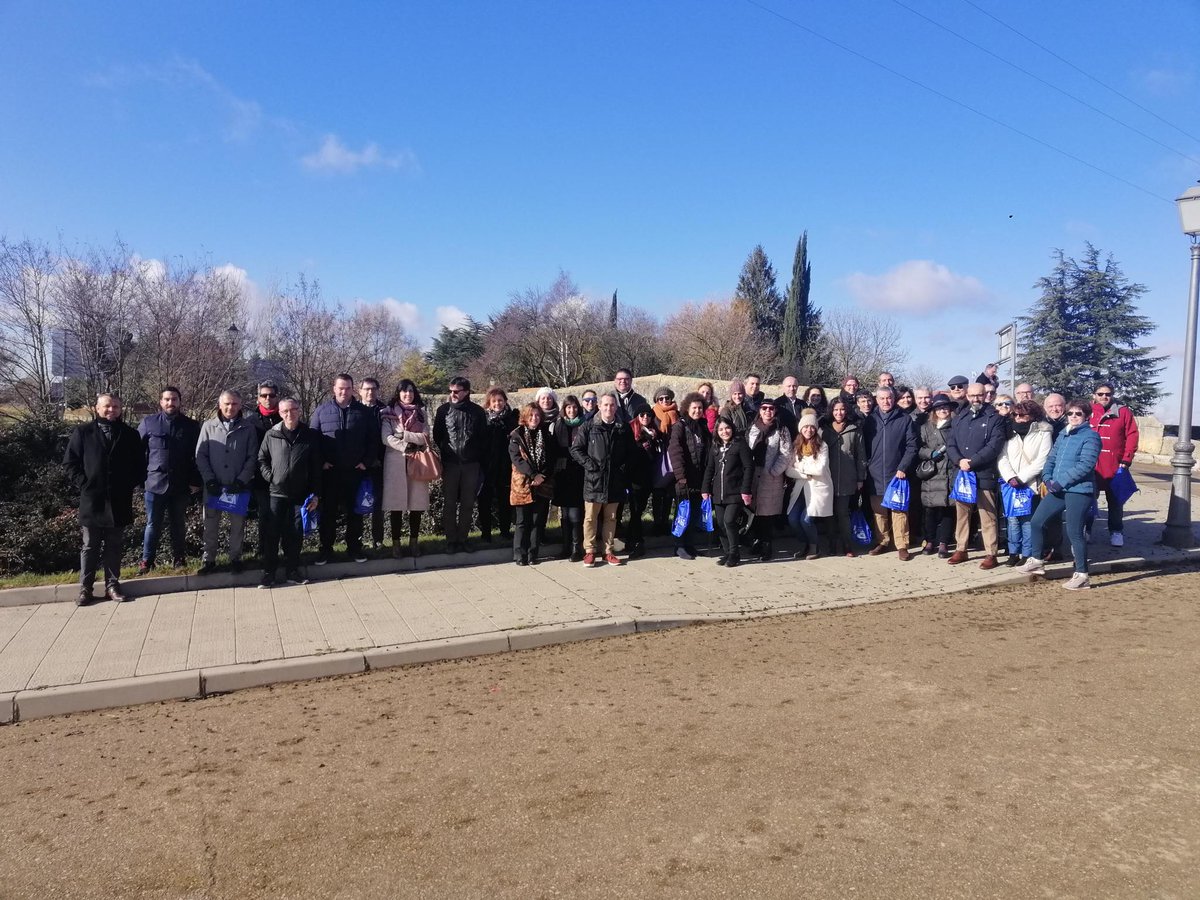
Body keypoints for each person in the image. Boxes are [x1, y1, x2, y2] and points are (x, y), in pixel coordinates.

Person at [64, 394, 146, 605]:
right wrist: (85, 484)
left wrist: (129, 484)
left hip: (119, 500)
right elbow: (70, 463)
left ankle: (112, 585)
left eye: (116, 407)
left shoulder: (129, 434)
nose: (112, 410)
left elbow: (140, 466)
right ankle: (86, 589)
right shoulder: (83, 432)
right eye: (107, 406)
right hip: (92, 499)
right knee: (90, 545)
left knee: (114, 545)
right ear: (97, 408)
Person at [1020, 399, 1102, 590]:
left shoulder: (1091, 437)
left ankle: (1082, 575)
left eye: (1078, 414)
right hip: (1057, 488)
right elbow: (1051, 459)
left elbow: (1085, 465)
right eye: (1070, 413)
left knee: (1074, 532)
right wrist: (1047, 478)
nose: (1073, 417)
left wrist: (1061, 481)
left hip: (1079, 491)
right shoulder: (1063, 435)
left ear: (1086, 416)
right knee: (1037, 521)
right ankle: (1037, 560)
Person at [310, 373, 377, 564]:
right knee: (328, 513)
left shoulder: (363, 412)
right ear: (334, 388)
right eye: (340, 388)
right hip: (330, 473)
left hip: (355, 472)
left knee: (355, 513)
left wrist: (366, 461)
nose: (344, 391)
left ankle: (354, 549)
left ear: (352, 389)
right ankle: (326, 550)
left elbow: (373, 440)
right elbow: (313, 440)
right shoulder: (322, 411)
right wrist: (321, 461)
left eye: (347, 388)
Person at [257, 398, 321, 588]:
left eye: (293, 410)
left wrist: (316, 493)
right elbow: (262, 459)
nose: (289, 414)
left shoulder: (310, 435)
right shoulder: (272, 434)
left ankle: (292, 570)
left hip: (301, 495)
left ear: (299, 411)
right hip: (276, 493)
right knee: (272, 533)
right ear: (280, 413)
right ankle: (269, 573)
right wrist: (272, 476)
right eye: (285, 411)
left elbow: (316, 467)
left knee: (295, 534)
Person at [137, 386, 201, 573]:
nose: (170, 403)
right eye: (166, 399)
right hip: (154, 483)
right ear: (161, 402)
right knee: (152, 524)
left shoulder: (190, 425)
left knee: (178, 524)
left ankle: (179, 559)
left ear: (180, 402)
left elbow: (197, 455)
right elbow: (137, 452)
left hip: (180, 484)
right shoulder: (149, 423)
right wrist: (141, 479)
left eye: (174, 399)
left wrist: (195, 481)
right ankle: (147, 561)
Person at [195, 389, 260, 575]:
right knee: (210, 524)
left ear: (240, 405)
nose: (230, 407)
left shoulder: (248, 428)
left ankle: (235, 559)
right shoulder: (208, 426)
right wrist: (209, 479)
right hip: (214, 485)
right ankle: (209, 560)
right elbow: (201, 455)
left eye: (234, 404)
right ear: (220, 405)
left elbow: (252, 457)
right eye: (227, 403)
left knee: (237, 526)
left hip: (237, 486)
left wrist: (242, 480)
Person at [945, 381, 1006, 569]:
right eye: (972, 396)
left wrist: (973, 461)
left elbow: (994, 445)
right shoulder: (959, 417)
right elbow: (951, 443)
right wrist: (959, 460)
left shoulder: (994, 418)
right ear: (967, 396)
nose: (975, 399)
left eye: (979, 395)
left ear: (986, 395)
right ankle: (961, 549)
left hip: (983, 473)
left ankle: (991, 553)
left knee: (987, 515)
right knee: (962, 514)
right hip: (962, 473)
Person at [571, 393, 633, 566]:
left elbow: (631, 452)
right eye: (605, 405)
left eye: (612, 405)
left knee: (611, 518)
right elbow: (576, 449)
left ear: (616, 407)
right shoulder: (589, 426)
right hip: (594, 481)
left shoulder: (623, 428)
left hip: (614, 481)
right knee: (590, 518)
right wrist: (590, 465)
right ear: (599, 406)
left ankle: (608, 551)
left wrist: (622, 469)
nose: (609, 408)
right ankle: (589, 551)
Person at [433, 376, 488, 553]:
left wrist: (475, 455)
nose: (452, 394)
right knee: (449, 503)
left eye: (456, 391)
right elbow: (437, 436)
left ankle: (463, 539)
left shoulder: (477, 412)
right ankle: (451, 541)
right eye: (450, 391)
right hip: (450, 463)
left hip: (471, 464)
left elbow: (482, 437)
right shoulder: (443, 411)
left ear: (466, 392)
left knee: (467, 503)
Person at [863, 386, 918, 559]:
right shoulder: (870, 420)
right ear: (876, 400)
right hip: (875, 473)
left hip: (897, 473)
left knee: (899, 510)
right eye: (882, 398)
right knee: (879, 511)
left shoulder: (904, 418)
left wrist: (903, 467)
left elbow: (912, 446)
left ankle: (902, 545)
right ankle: (883, 541)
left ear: (893, 399)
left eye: (889, 398)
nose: (886, 402)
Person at [381, 379, 431, 558]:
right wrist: (407, 444)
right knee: (397, 505)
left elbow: (425, 436)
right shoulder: (387, 413)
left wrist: (404, 435)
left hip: (417, 461)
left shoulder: (421, 413)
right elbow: (386, 438)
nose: (407, 394)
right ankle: (396, 544)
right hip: (395, 463)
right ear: (398, 393)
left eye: (410, 391)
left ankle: (414, 542)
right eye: (404, 391)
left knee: (416, 505)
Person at [998, 400, 1053, 566]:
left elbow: (1043, 459)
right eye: (1015, 414)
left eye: (1022, 415)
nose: (1018, 418)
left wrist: (1022, 478)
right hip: (1010, 483)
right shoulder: (1009, 432)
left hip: (1028, 484)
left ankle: (1026, 553)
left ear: (1033, 416)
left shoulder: (1043, 432)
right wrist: (1010, 477)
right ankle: (1013, 552)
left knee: (1027, 520)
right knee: (1012, 519)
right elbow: (1002, 456)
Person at [1089, 382, 1139, 547]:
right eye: (1100, 393)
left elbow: (1132, 435)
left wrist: (1127, 458)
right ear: (1094, 395)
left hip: (1115, 464)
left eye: (1108, 394)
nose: (1104, 397)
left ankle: (1116, 531)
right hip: (1091, 466)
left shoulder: (1123, 412)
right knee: (1088, 500)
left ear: (1112, 395)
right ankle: (1086, 530)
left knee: (1116, 501)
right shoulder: (1087, 411)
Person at [509, 402, 557, 565]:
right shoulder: (517, 435)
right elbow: (517, 459)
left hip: (542, 483)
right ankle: (519, 554)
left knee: (537, 520)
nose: (534, 418)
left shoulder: (546, 434)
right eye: (531, 415)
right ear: (525, 417)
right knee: (522, 521)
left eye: (537, 415)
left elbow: (552, 458)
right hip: (523, 484)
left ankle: (532, 554)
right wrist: (533, 475)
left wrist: (542, 476)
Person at [702, 416, 754, 568]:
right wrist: (705, 488)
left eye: (727, 428)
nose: (725, 432)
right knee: (720, 523)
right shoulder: (715, 447)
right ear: (716, 432)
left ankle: (734, 553)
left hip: (735, 492)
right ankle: (726, 552)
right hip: (718, 493)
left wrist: (745, 490)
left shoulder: (740, 444)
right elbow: (710, 468)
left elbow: (748, 467)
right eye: (721, 429)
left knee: (729, 520)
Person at [746, 399, 792, 561]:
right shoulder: (752, 428)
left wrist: (774, 471)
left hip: (771, 478)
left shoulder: (782, 429)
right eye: (764, 408)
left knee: (768, 515)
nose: (767, 411)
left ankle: (767, 546)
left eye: (771, 409)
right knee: (755, 512)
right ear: (760, 410)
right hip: (753, 477)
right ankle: (756, 542)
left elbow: (786, 454)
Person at [668, 392, 711, 560]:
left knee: (694, 514)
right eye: (694, 408)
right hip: (684, 479)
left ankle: (690, 544)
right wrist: (681, 476)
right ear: (687, 408)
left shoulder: (703, 426)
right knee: (682, 513)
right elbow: (675, 451)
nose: (697, 411)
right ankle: (679, 545)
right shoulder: (680, 426)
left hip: (699, 478)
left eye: (700, 408)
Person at [822, 398, 866, 557]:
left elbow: (861, 456)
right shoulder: (824, 430)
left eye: (841, 409)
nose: (839, 413)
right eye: (835, 410)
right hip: (827, 478)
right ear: (831, 411)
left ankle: (847, 545)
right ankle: (831, 544)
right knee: (829, 514)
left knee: (843, 513)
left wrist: (861, 477)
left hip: (848, 478)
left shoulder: (854, 429)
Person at [787, 413, 832, 559]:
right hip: (801, 487)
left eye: (812, 427)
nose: (809, 430)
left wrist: (800, 467)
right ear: (801, 429)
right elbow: (788, 470)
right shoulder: (797, 446)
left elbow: (820, 469)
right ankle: (805, 544)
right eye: (806, 427)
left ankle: (814, 547)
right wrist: (805, 474)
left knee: (806, 519)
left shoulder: (822, 446)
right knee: (793, 518)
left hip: (817, 489)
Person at [917, 393, 956, 558]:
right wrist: (930, 453)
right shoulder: (926, 427)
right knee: (929, 510)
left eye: (945, 407)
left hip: (950, 471)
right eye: (939, 408)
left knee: (948, 509)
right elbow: (918, 448)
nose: (942, 410)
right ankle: (930, 540)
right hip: (932, 473)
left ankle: (943, 542)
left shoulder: (957, 425)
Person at [478, 387, 519, 544]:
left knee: (505, 500)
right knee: (485, 500)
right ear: (489, 402)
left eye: (500, 400)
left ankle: (505, 530)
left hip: (506, 465)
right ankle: (486, 533)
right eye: (494, 401)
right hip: (487, 465)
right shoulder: (483, 419)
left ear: (505, 401)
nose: (497, 403)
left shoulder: (511, 419)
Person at [552, 395, 587, 561]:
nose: (571, 410)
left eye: (574, 407)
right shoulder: (558, 424)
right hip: (562, 474)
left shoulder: (584, 424)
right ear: (564, 409)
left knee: (575, 514)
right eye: (568, 407)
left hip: (579, 473)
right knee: (564, 515)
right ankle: (565, 547)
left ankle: (576, 548)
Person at [626, 403, 663, 558]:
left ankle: (630, 540)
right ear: (637, 417)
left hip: (648, 478)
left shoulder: (655, 433)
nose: (645, 418)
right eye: (642, 415)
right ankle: (637, 543)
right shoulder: (630, 432)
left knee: (638, 510)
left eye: (648, 415)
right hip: (634, 479)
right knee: (635, 511)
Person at [358, 377, 388, 550]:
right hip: (358, 465)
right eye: (367, 389)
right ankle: (357, 539)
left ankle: (377, 539)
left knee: (377, 504)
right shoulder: (354, 410)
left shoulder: (384, 411)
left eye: (373, 389)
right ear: (360, 391)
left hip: (378, 464)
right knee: (357, 503)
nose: (370, 392)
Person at [249, 380, 283, 532]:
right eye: (264, 395)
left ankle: (282, 549)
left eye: (271, 395)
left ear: (277, 397)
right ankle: (264, 549)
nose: (267, 399)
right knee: (264, 513)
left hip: (282, 474)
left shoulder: (285, 418)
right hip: (259, 476)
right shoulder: (250, 421)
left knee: (281, 514)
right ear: (258, 398)